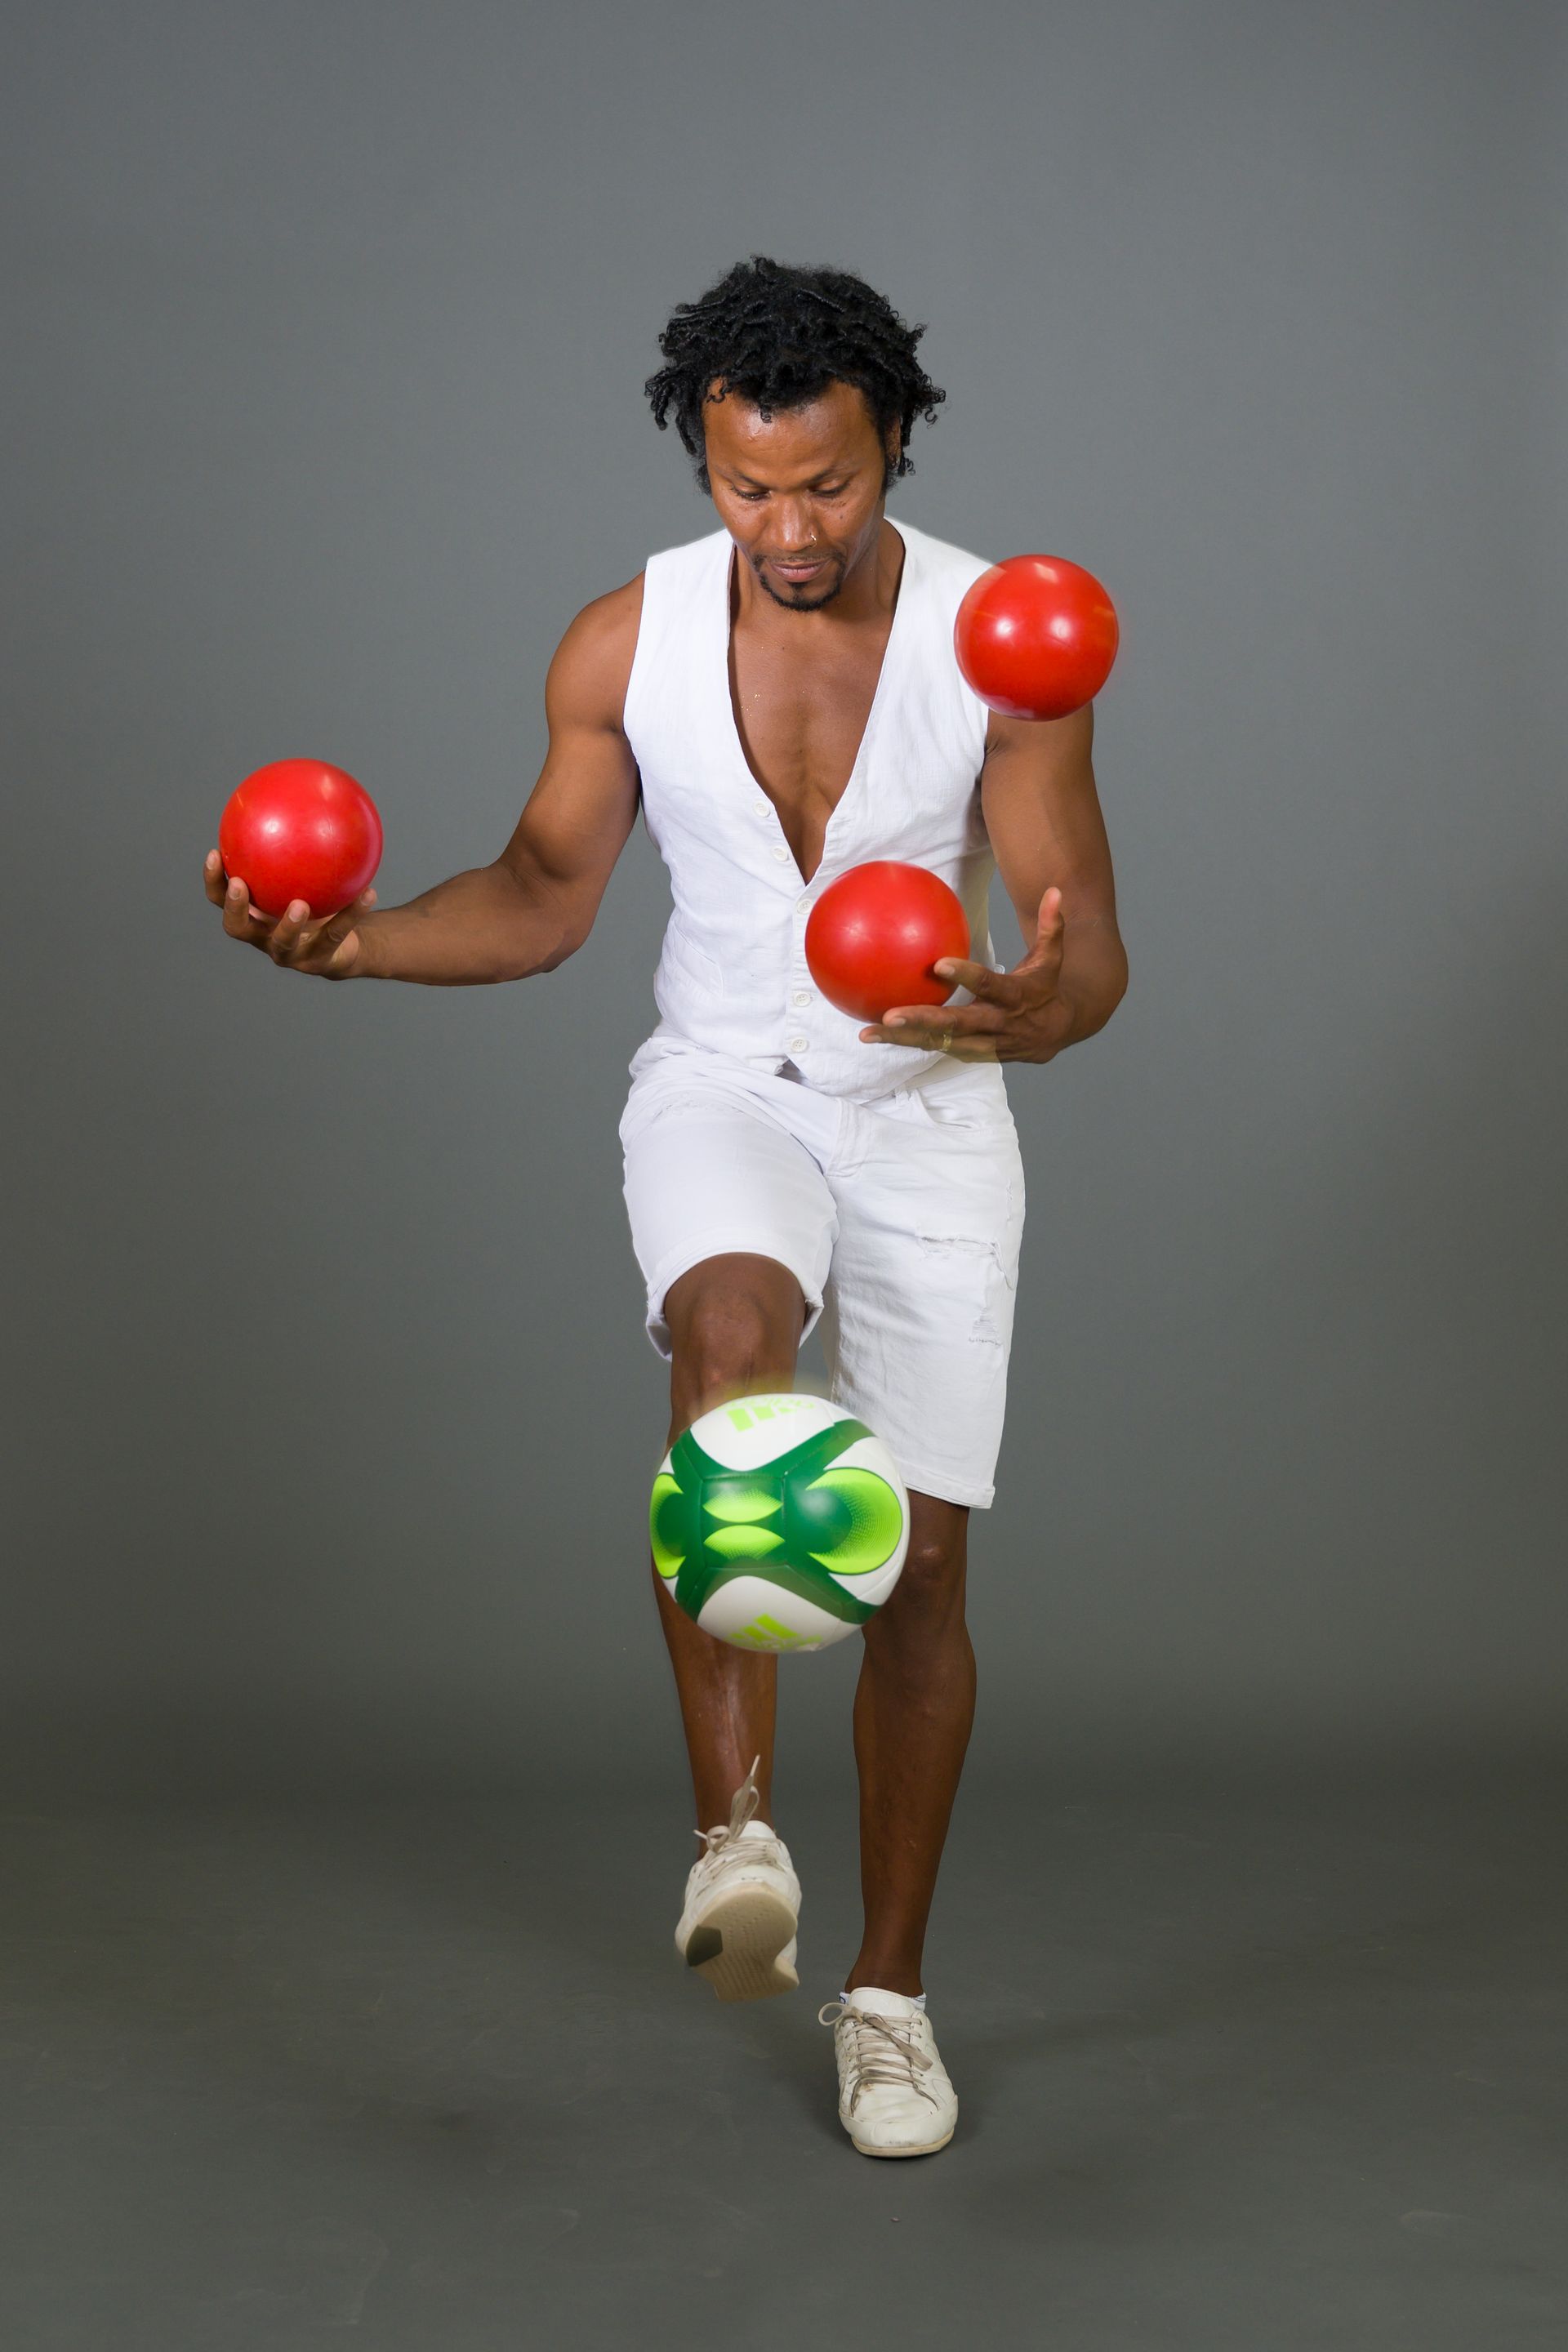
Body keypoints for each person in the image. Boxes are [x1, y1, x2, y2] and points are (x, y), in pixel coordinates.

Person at [203, 255, 1128, 2159]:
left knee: (924, 1571)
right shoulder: (623, 643)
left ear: (895, 451)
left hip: (934, 1100)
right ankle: (736, 1837)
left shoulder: (996, 642)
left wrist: (1042, 1010)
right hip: (725, 1080)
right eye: (746, 487)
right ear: (702, 463)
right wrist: (357, 942)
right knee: (729, 1347)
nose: (788, 530)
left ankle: (888, 2004)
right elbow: (546, 897)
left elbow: (1082, 943)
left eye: (830, 486)